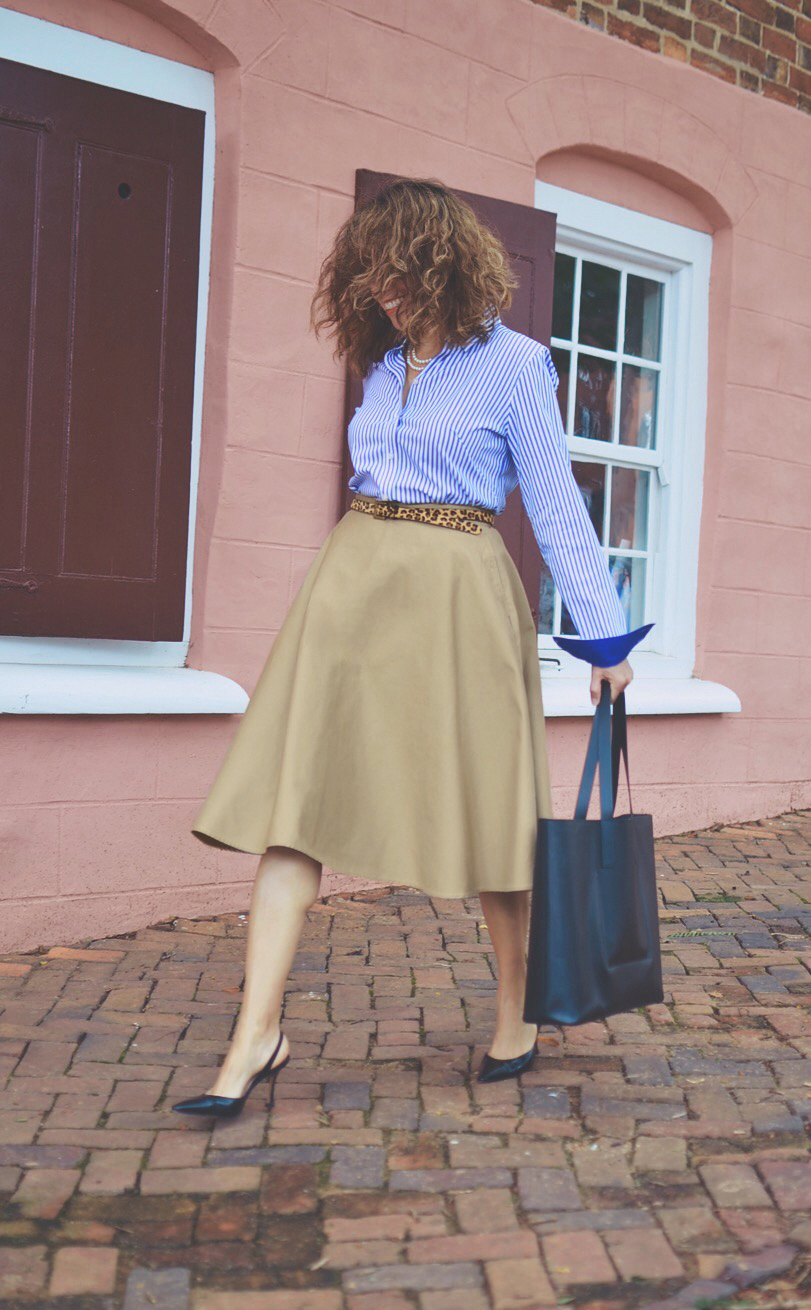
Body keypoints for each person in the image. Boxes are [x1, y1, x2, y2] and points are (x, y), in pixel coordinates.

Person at [173, 179, 644, 1119]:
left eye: (400, 273)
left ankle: (516, 1016)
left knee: (489, 811)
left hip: (457, 597)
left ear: (444, 263)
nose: (385, 292)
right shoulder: (387, 367)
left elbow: (554, 504)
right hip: (351, 590)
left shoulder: (513, 365)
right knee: (293, 803)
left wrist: (603, 634)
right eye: (372, 275)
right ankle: (252, 1040)